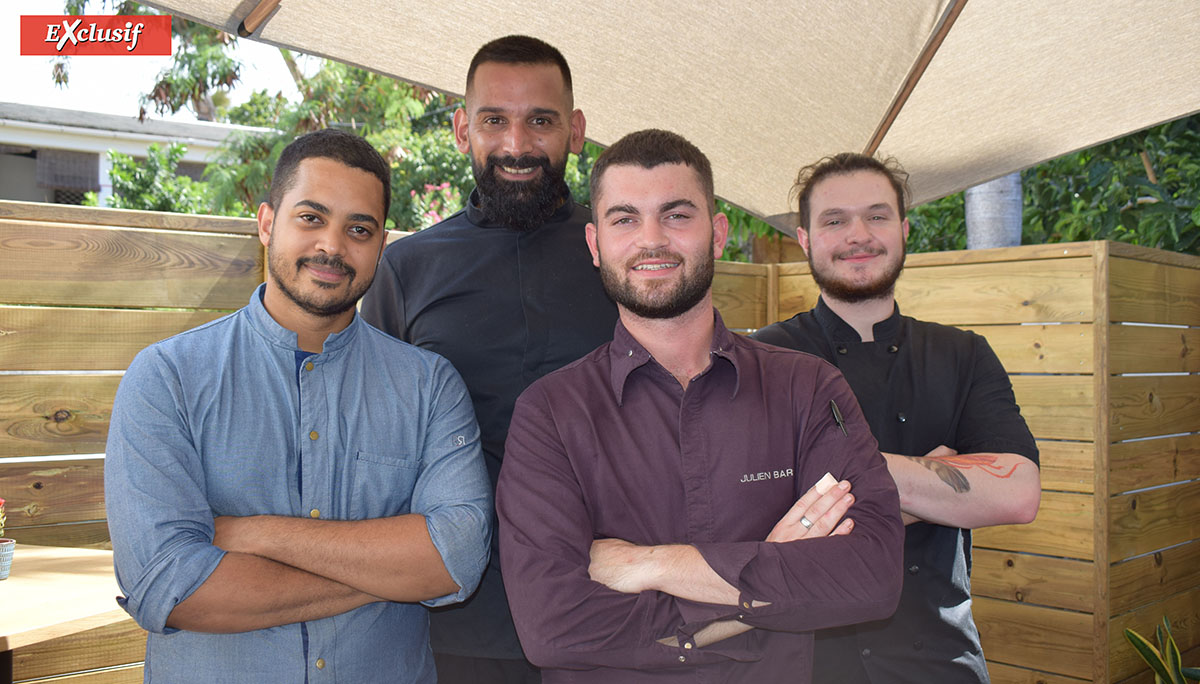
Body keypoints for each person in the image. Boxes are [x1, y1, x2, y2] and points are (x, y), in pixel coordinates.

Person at [495, 129, 905, 683]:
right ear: (595, 246)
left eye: (676, 215)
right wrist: (769, 573)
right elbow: (553, 627)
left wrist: (653, 564)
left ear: (716, 234)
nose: (651, 239)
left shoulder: (807, 388)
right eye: (624, 219)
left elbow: (870, 578)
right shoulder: (550, 413)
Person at [105, 128, 492, 684]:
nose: (333, 246)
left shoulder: (429, 387)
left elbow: (456, 557)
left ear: (382, 243)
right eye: (311, 218)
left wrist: (254, 534)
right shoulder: (168, 379)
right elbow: (168, 587)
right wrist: (395, 571)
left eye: (359, 229)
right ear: (266, 223)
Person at [360, 35, 617, 683]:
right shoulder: (406, 269)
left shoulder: (623, 261)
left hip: (615, 603)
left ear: (576, 130)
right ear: (460, 129)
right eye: (494, 120)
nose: (517, 145)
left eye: (541, 120)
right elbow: (377, 442)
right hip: (462, 616)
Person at [751, 153, 1041, 683]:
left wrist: (829, 477)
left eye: (877, 216)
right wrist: (939, 480)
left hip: (940, 659)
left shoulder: (963, 355)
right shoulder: (762, 360)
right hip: (806, 664)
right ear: (805, 239)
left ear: (904, 230)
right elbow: (752, 512)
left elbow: (1018, 493)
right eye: (835, 220)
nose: (858, 234)